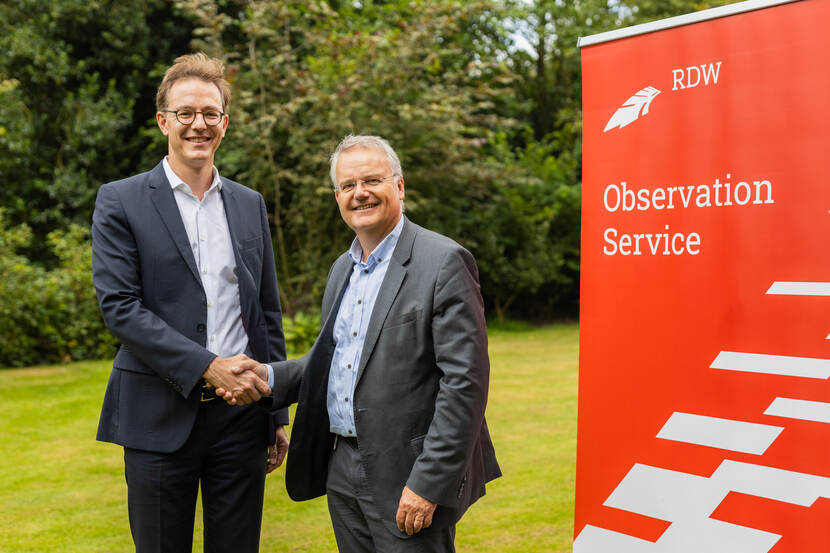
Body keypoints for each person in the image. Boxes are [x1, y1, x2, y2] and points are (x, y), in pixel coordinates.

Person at [221, 134, 501, 552]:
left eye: (372, 180)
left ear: (400, 186)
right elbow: (332, 363)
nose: (360, 193)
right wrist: (265, 375)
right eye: (348, 186)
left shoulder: (442, 261)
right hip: (344, 466)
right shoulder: (343, 269)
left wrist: (428, 483)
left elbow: (465, 384)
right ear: (338, 197)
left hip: (408, 472)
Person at [91, 52, 289, 553]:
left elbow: (265, 312)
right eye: (185, 113)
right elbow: (120, 306)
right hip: (157, 416)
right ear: (164, 121)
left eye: (209, 113)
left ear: (224, 122)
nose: (197, 124)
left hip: (243, 418)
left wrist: (276, 414)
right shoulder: (121, 200)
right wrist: (208, 367)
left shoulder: (249, 203)